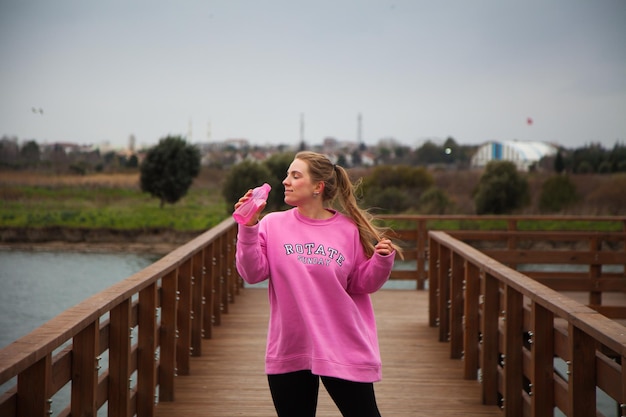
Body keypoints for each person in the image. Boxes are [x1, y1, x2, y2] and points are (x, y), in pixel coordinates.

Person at [234, 151, 402, 417]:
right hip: (291, 346)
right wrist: (248, 226)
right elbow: (252, 273)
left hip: (342, 345)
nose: (285, 181)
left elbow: (360, 283)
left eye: (295, 175)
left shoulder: (348, 229)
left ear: (318, 187)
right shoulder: (272, 224)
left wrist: (381, 261)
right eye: (288, 174)